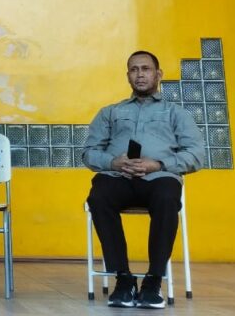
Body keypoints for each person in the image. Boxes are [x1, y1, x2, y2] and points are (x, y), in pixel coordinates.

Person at [83, 50, 205, 309]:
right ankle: (123, 279)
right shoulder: (110, 112)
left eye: (146, 69)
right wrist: (113, 162)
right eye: (134, 69)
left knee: (167, 196)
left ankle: (153, 281)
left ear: (158, 74)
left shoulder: (175, 113)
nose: (140, 74)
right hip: (118, 176)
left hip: (159, 177)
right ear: (127, 75)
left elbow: (196, 154)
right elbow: (89, 152)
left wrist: (158, 164)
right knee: (99, 196)